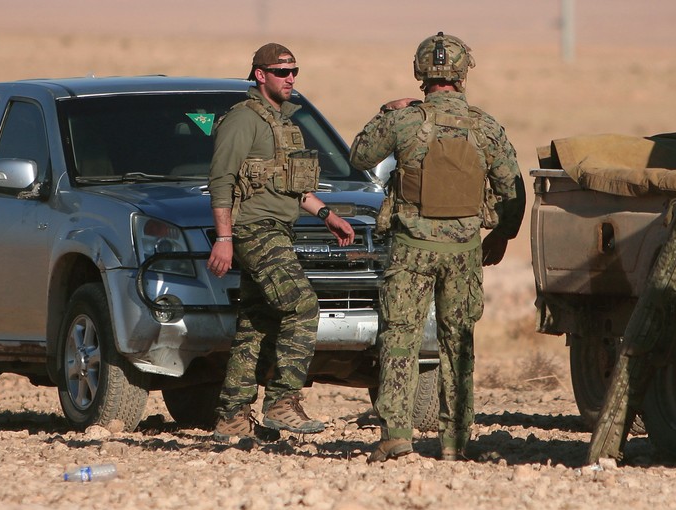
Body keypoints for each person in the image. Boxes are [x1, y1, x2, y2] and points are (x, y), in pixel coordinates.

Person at [349, 32, 525, 462]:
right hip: (463, 251)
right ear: (463, 75)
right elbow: (513, 191)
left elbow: (358, 155)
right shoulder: (485, 127)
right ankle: (455, 442)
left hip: (411, 248)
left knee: (400, 339)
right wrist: (502, 234)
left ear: (420, 74)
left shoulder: (404, 121)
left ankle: (396, 436)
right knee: (457, 341)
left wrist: (387, 112)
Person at [207, 43, 355, 443]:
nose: (290, 78)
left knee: (257, 323)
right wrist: (224, 238)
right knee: (301, 304)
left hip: (279, 228)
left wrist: (328, 215)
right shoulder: (242, 121)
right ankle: (281, 402)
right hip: (254, 230)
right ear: (260, 75)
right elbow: (220, 182)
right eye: (282, 72)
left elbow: (295, 187)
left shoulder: (285, 123)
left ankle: (231, 417)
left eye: (294, 71)